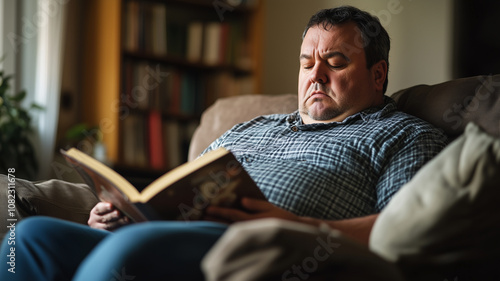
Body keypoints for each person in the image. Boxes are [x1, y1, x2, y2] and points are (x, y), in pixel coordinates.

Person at [1, 6, 447, 281]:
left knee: (128, 254)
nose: (315, 74)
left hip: (255, 251)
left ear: (377, 75)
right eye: (307, 62)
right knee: (31, 238)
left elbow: (406, 229)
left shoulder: (404, 135)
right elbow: (180, 186)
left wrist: (296, 224)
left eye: (335, 61)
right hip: (167, 233)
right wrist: (123, 213)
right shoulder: (253, 126)